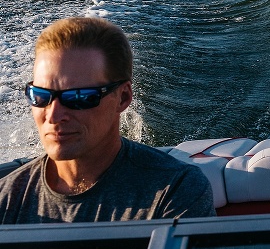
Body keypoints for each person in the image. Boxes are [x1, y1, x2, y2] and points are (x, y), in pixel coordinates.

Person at [0, 16, 215, 223]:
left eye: (79, 97)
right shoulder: (7, 200)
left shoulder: (175, 191)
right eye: (41, 96)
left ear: (123, 98)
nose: (54, 116)